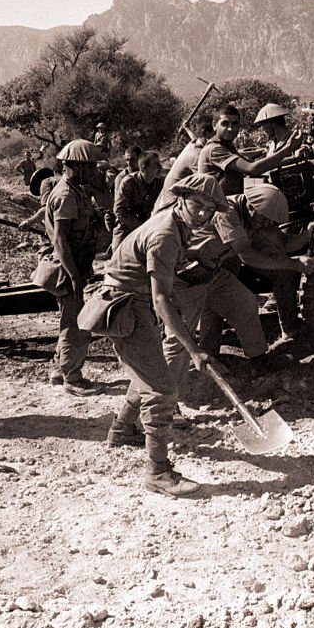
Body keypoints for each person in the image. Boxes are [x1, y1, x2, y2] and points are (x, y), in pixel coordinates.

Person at [94, 173, 229, 496]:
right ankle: (157, 473)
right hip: (128, 306)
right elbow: (161, 298)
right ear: (181, 199)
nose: (201, 214)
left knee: (148, 371)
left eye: (208, 210)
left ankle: (123, 429)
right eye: (196, 205)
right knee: (163, 388)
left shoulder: (176, 224)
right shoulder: (167, 233)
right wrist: (194, 349)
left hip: (135, 301)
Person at [196, 183, 314, 352]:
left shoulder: (255, 216)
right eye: (264, 219)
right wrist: (295, 263)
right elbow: (246, 255)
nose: (266, 223)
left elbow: (283, 243)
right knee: (220, 300)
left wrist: (306, 235)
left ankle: (291, 329)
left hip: (227, 260)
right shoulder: (226, 212)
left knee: (284, 271)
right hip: (199, 267)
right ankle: (209, 354)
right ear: (250, 206)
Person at [42, 139, 105, 396]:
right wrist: (75, 276)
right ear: (76, 167)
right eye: (90, 167)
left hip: (77, 265)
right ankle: (73, 378)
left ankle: (60, 369)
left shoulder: (76, 190)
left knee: (70, 320)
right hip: (70, 268)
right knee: (76, 324)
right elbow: (60, 240)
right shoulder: (67, 195)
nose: (94, 172)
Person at [198, 104, 302, 196]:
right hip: (217, 209)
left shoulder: (226, 146)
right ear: (214, 125)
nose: (230, 128)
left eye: (235, 124)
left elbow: (256, 164)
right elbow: (252, 169)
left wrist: (294, 158)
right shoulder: (215, 149)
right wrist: (288, 149)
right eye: (225, 124)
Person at [112, 151, 162, 250]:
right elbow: (119, 211)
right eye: (156, 165)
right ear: (144, 168)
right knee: (118, 255)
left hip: (151, 224)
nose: (160, 168)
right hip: (128, 226)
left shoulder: (160, 182)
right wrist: (141, 227)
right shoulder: (128, 182)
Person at [159, 121, 215, 198]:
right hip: (173, 201)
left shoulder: (195, 143)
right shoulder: (197, 156)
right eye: (215, 135)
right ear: (205, 134)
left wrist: (187, 128)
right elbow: (209, 184)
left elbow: (197, 139)